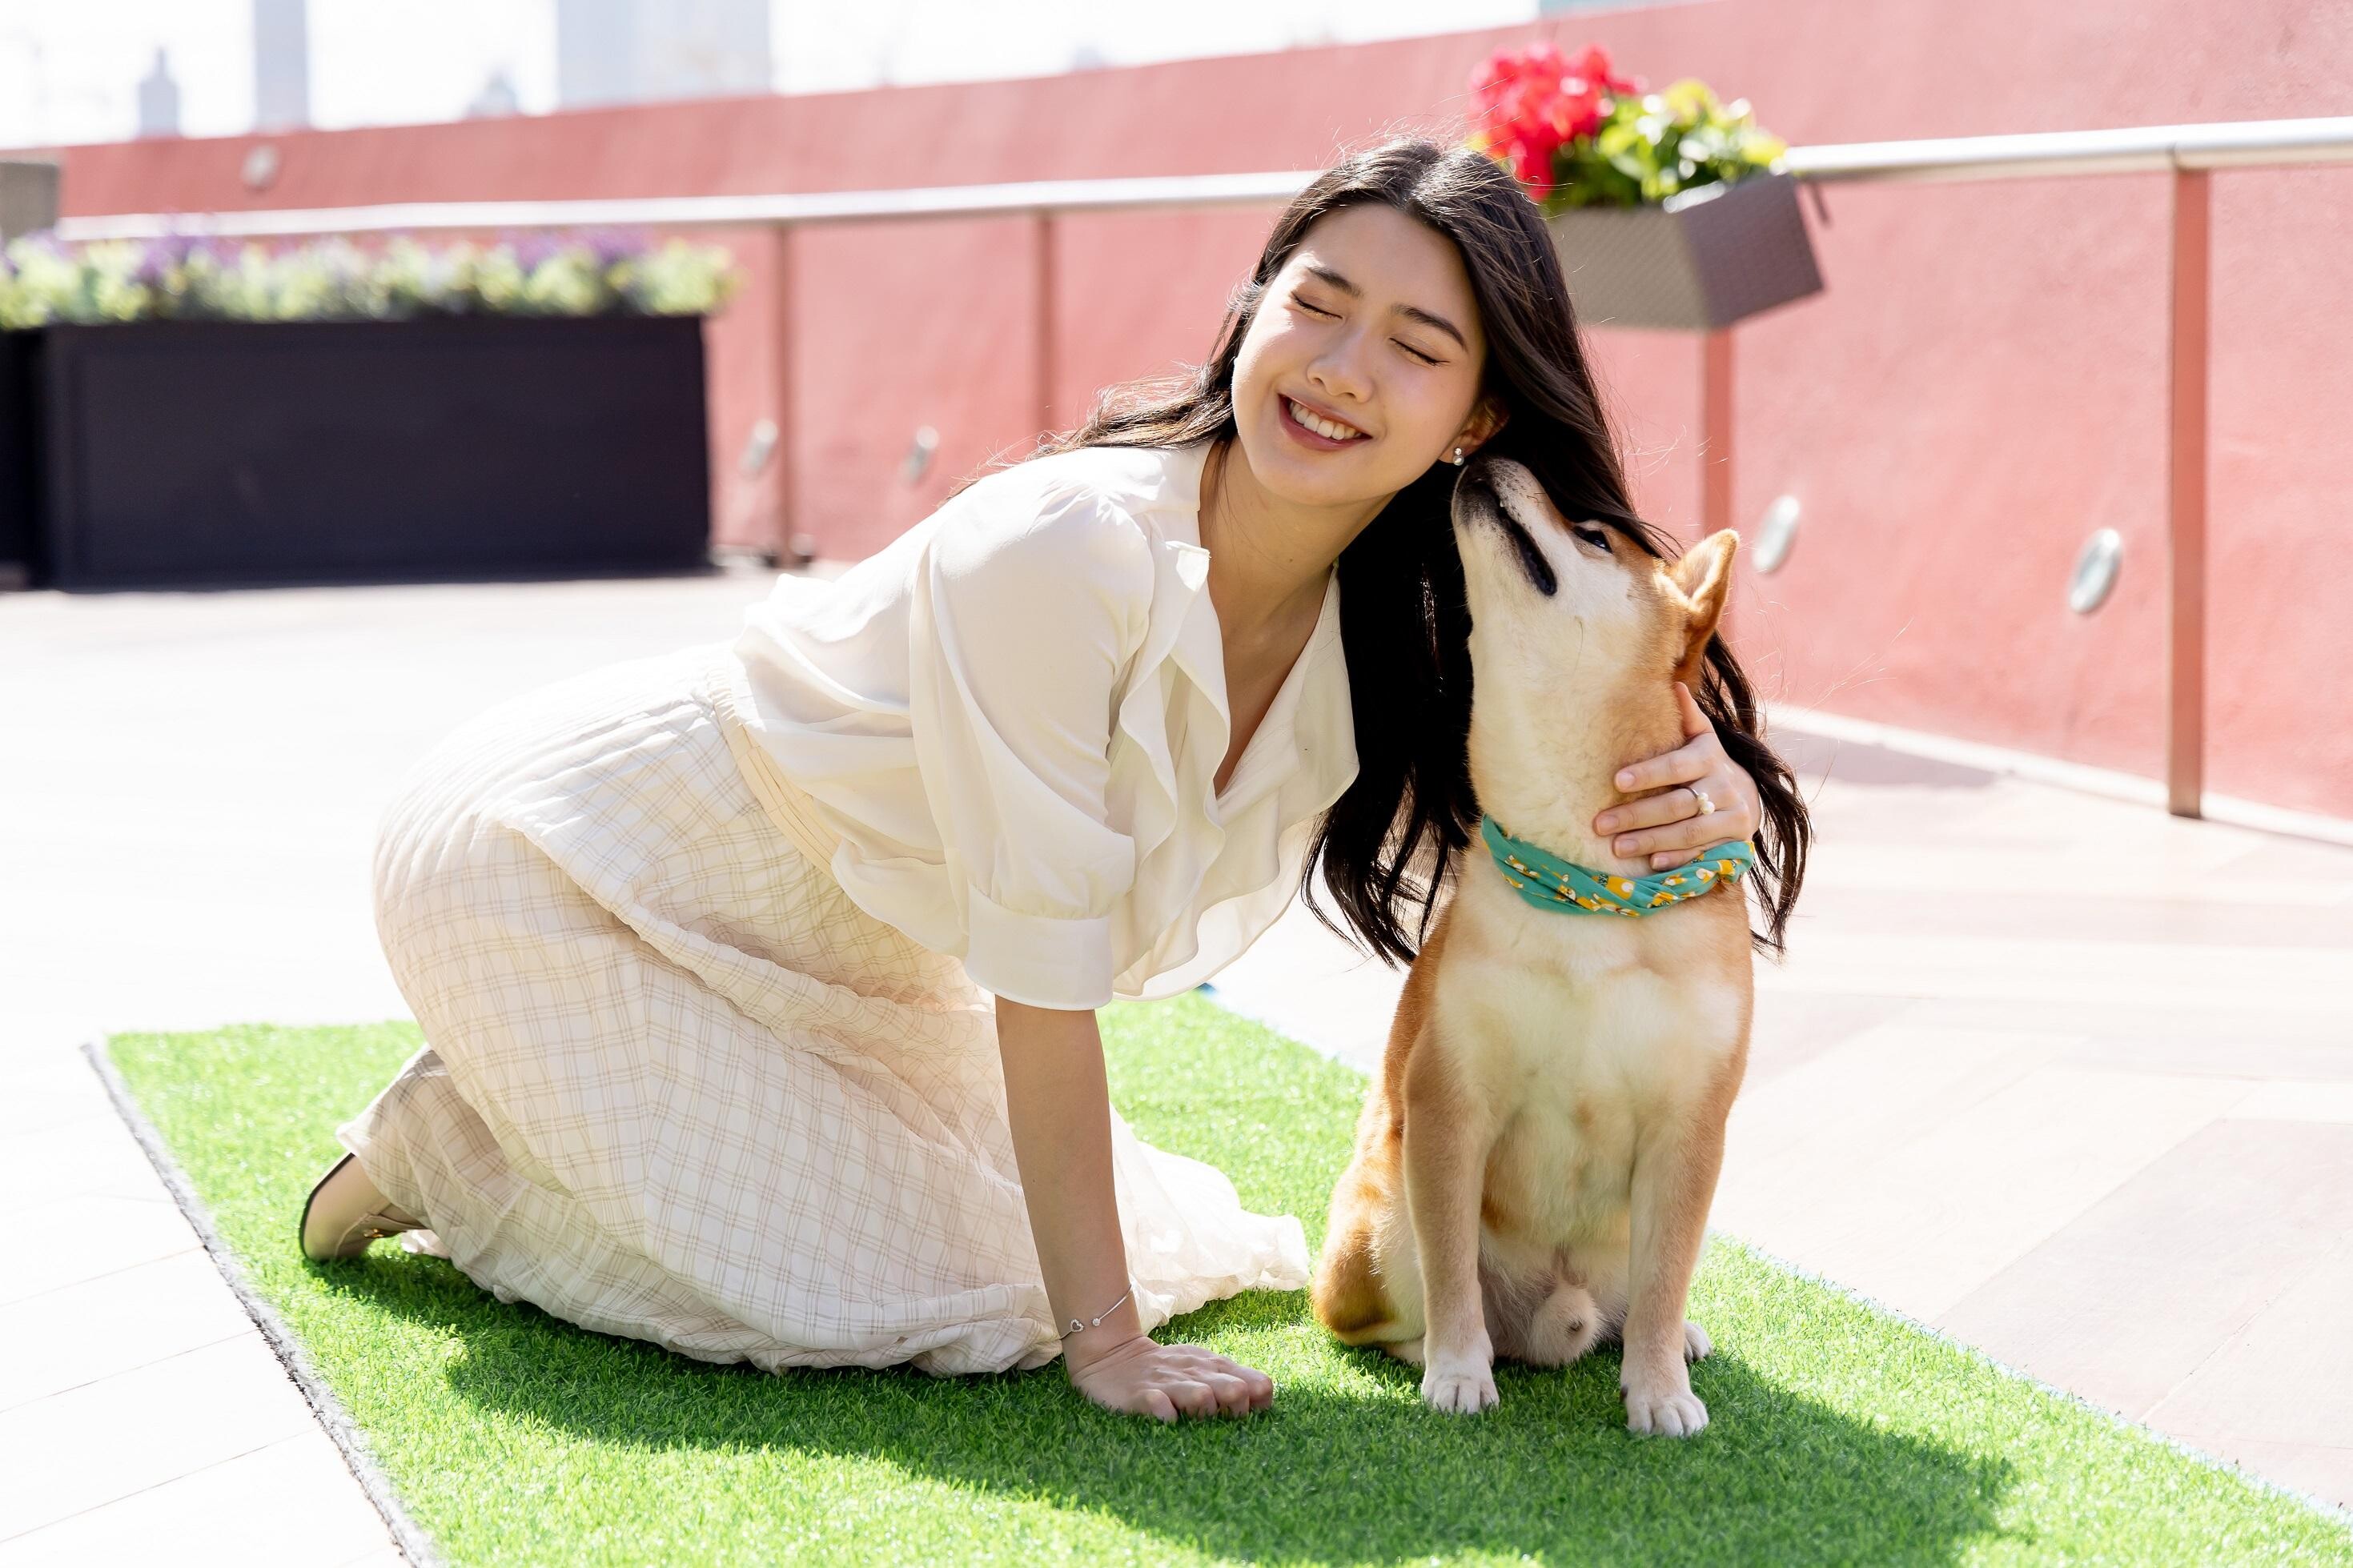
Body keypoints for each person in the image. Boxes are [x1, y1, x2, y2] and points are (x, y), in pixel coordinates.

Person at [298, 136, 1809, 1424]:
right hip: (564, 856)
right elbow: (1041, 989)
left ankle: (534, 1105)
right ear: (1253, 311)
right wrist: (1105, 1347)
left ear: (1477, 417)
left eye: (1417, 348)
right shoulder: (1067, 548)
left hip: (847, 962)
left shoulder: (1403, 626)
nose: (1343, 371)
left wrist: (1722, 796)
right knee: (880, 1303)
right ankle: (450, 1136)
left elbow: (1579, 740)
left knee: (1134, 1248)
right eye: (1317, 304)